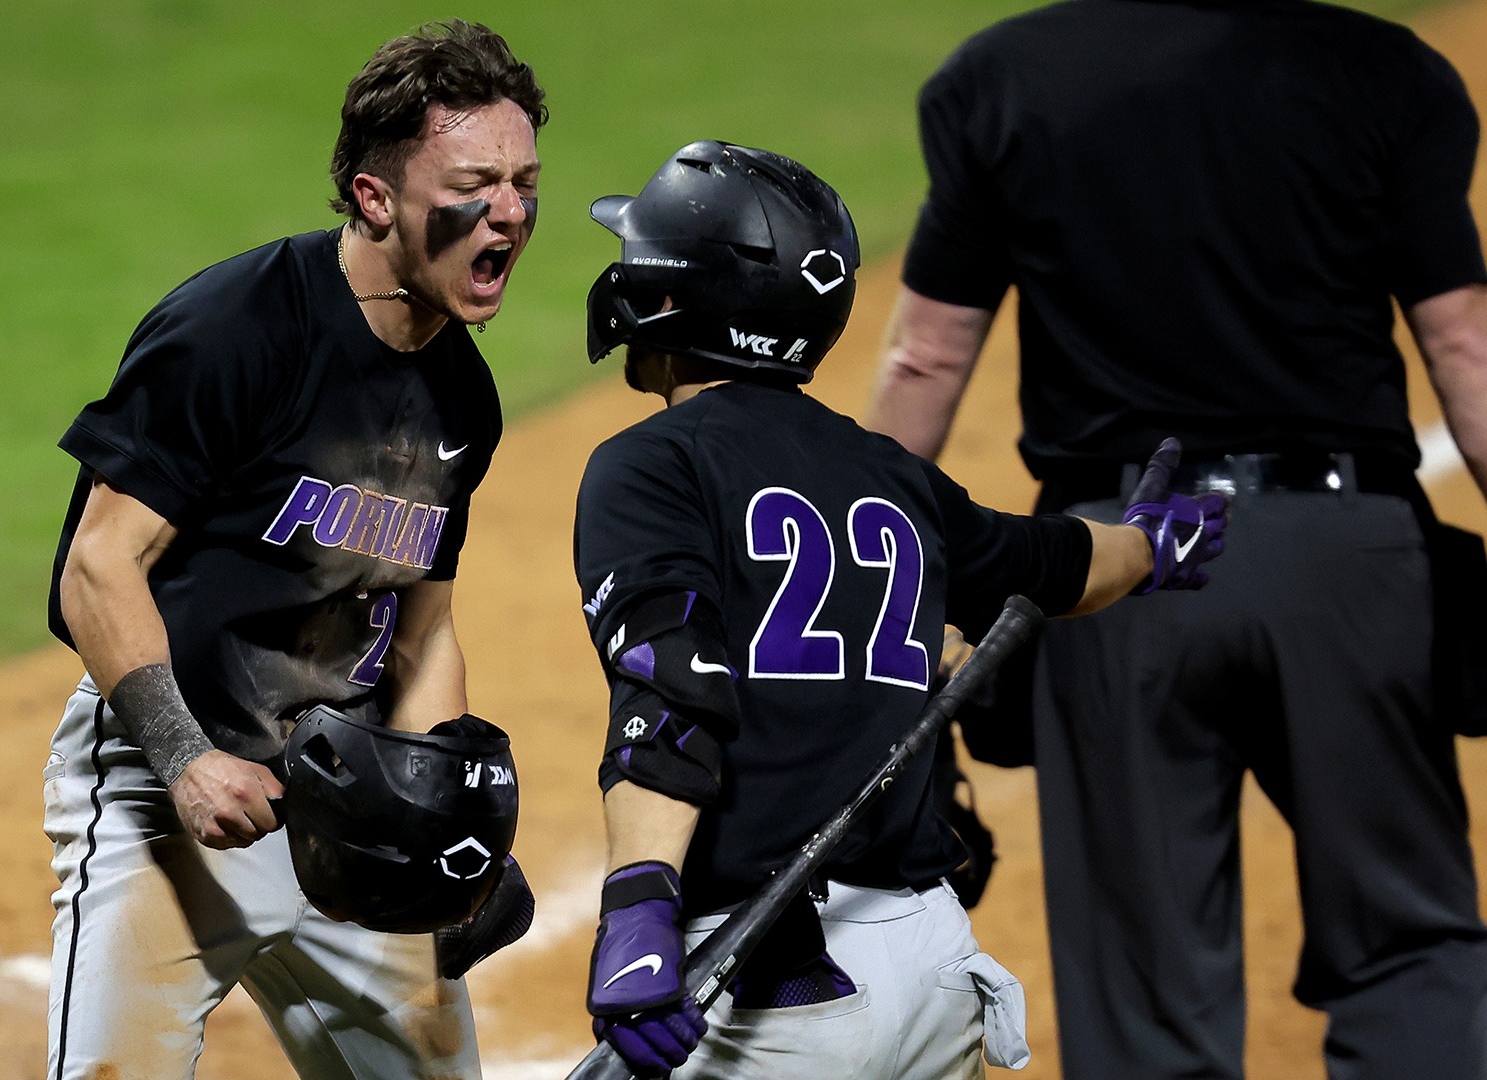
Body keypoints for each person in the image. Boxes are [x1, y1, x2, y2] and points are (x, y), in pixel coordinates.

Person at [864, 3, 1487, 1078]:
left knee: (1144, 994)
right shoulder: (1387, 68)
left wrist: (860, 581)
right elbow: (1464, 343)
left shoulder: (1003, 76)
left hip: (1119, 573)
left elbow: (924, 357)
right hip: (1344, 559)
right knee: (1409, 949)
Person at [571, 141, 1226, 1079]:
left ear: (676, 294)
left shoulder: (651, 465)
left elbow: (671, 681)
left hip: (773, 986)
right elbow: (1059, 561)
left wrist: (640, 908)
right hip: (932, 963)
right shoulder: (896, 477)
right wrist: (1152, 548)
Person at [39, 21, 545, 1080]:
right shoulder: (239, 328)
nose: (509, 211)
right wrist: (185, 760)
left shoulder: (463, 393)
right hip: (165, 788)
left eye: (524, 183)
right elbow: (97, 566)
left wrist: (437, 813)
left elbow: (423, 635)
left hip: (347, 802)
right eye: (476, 184)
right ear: (375, 198)